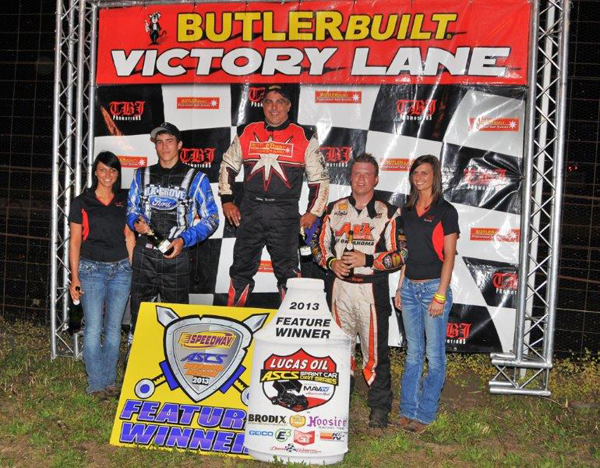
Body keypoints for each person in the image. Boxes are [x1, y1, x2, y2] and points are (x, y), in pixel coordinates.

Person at [313, 153, 407, 429]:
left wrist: (369, 260)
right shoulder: (334, 209)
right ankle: (336, 401)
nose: (361, 179)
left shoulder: (388, 212)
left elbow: (402, 254)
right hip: (339, 290)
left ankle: (379, 407)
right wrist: (330, 262)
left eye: (367, 174)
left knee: (375, 353)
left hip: (371, 290)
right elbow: (318, 246)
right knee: (339, 348)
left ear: (376, 179)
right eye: (357, 174)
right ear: (350, 177)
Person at [219, 84, 329, 306]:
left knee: (288, 271)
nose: (274, 107)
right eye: (268, 101)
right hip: (250, 210)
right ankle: (233, 321)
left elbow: (320, 179)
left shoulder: (304, 135)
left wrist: (313, 212)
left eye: (280, 102)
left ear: (288, 106)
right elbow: (227, 166)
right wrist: (227, 200)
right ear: (262, 106)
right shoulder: (246, 131)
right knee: (241, 268)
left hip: (285, 211)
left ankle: (291, 322)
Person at [127, 122, 219, 335]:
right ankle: (136, 361)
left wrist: (184, 240)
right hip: (145, 254)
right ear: (155, 146)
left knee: (177, 320)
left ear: (179, 145)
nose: (164, 146)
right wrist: (135, 222)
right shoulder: (141, 175)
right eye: (159, 142)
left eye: (169, 141)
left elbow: (212, 218)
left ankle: (172, 364)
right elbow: (131, 209)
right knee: (139, 314)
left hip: (176, 257)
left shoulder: (197, 178)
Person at [394, 155, 459, 433]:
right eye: (416, 173)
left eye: (425, 172)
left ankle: (426, 413)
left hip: (434, 288)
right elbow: (404, 254)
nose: (419, 177)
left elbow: (449, 257)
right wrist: (399, 286)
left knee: (434, 354)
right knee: (412, 354)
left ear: (435, 177)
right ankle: (407, 410)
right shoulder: (405, 211)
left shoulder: (446, 211)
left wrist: (441, 295)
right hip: (409, 288)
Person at [69, 151, 135, 397]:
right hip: (91, 270)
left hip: (121, 271)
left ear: (118, 174)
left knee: (114, 328)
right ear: (95, 172)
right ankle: (96, 384)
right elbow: (75, 242)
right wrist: (74, 277)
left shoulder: (126, 200)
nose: (108, 175)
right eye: (103, 169)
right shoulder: (81, 201)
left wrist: (132, 267)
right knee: (94, 327)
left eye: (113, 170)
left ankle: (110, 382)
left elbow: (130, 236)